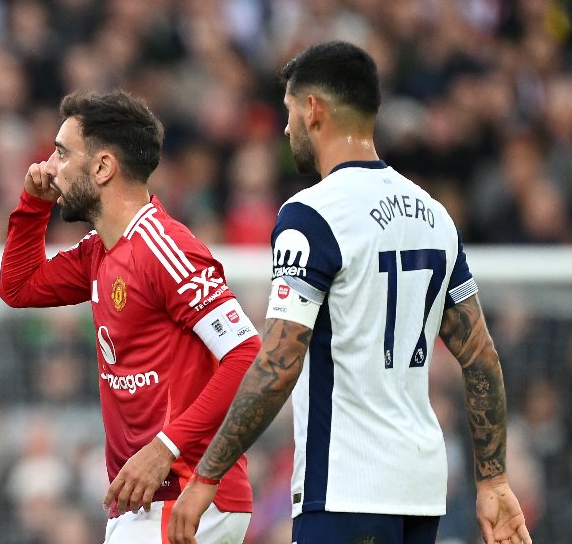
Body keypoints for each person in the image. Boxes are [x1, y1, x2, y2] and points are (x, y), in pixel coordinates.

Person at [167, 42, 531, 544]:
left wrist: (206, 474)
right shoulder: (434, 216)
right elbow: (481, 356)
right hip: (420, 492)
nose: (288, 128)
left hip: (343, 489)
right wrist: (493, 479)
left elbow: (278, 362)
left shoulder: (309, 215)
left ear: (313, 110)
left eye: (290, 113)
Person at [0, 90, 260, 543]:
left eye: (61, 153)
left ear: (102, 167)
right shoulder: (99, 252)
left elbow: (247, 353)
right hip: (144, 499)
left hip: (187, 491)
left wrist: (167, 446)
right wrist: (33, 205)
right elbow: (18, 288)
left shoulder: (164, 248)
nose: (48, 166)